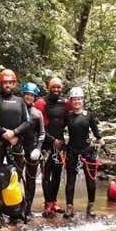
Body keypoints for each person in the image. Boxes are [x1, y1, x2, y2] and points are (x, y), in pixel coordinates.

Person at [64, 87, 104, 218]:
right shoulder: (68, 116)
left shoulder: (89, 115)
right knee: (70, 181)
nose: (77, 102)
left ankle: (91, 205)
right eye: (74, 99)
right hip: (72, 150)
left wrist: (102, 143)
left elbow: (96, 131)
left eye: (79, 99)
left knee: (91, 181)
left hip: (87, 151)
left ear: (83, 101)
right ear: (71, 101)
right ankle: (69, 207)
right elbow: (59, 129)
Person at [0, 69, 31, 175]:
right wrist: (5, 134)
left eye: (10, 82)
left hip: (16, 142)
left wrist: (14, 133)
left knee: (16, 175)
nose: (7, 85)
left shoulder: (20, 101)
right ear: (2, 84)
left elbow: (27, 122)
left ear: (14, 84)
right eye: (5, 82)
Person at [34, 77, 69, 218]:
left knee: (57, 175)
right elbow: (37, 126)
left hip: (60, 145)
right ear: (49, 88)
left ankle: (54, 202)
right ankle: (47, 203)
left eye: (58, 87)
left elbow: (71, 119)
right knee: (46, 175)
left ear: (62, 88)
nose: (56, 89)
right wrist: (51, 139)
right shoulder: (42, 103)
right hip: (46, 145)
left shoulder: (65, 103)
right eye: (53, 87)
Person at [21, 82, 45, 219]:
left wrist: (38, 149)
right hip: (17, 150)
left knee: (30, 180)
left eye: (32, 95)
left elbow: (42, 133)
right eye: (27, 94)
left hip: (32, 150)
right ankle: (14, 207)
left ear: (35, 97)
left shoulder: (37, 114)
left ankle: (28, 208)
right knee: (14, 178)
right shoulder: (17, 109)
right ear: (23, 95)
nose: (29, 97)